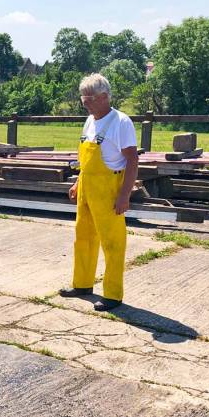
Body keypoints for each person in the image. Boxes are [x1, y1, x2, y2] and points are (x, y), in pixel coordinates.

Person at [59, 73, 139, 311]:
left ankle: (113, 295)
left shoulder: (121, 123)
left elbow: (132, 161)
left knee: (113, 243)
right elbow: (86, 160)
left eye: (89, 99)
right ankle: (82, 284)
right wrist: (77, 182)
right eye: (83, 98)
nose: (85, 103)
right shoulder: (91, 120)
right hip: (86, 188)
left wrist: (124, 195)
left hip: (109, 191)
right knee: (83, 238)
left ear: (104, 96)